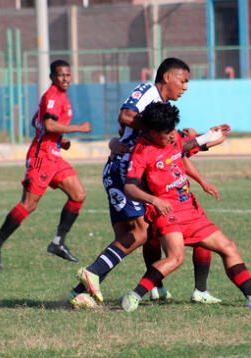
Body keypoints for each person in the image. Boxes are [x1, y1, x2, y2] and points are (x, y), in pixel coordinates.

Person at [69, 58, 229, 308]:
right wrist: (161, 131)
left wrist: (204, 139)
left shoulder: (162, 107)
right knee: (141, 232)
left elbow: (172, 148)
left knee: (127, 238)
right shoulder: (147, 92)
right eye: (183, 80)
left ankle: (81, 291)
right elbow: (126, 115)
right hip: (124, 171)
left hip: (123, 169)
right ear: (167, 77)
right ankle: (92, 273)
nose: (186, 87)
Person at [119, 102, 251, 312]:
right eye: (166, 133)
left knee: (228, 247)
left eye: (172, 131)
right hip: (167, 212)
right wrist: (154, 200)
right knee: (176, 258)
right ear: (151, 131)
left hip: (189, 210)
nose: (171, 136)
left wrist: (213, 135)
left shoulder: (171, 137)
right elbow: (129, 188)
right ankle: (134, 295)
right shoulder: (142, 152)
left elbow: (188, 145)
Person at [0, 60, 91, 267]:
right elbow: (48, 124)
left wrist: (60, 139)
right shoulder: (51, 96)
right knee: (28, 205)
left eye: (68, 75)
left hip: (54, 156)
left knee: (78, 195)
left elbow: (37, 122)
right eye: (60, 75)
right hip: (41, 158)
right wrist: (77, 128)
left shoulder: (60, 97)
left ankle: (58, 243)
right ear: (52, 77)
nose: (65, 78)